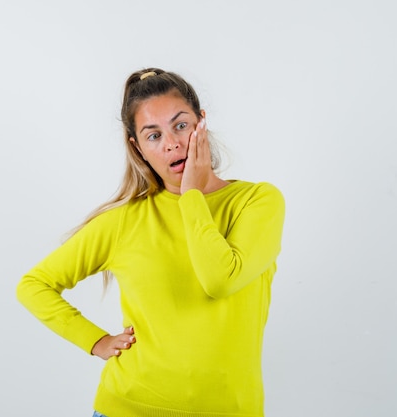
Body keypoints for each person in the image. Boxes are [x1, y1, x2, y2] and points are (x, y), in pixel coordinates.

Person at [16, 68, 285, 417]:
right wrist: (95, 341)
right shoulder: (124, 221)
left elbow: (221, 279)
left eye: (181, 125)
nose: (171, 142)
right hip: (128, 407)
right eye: (153, 135)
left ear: (201, 122)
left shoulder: (257, 202)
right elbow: (34, 285)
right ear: (138, 148)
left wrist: (190, 195)